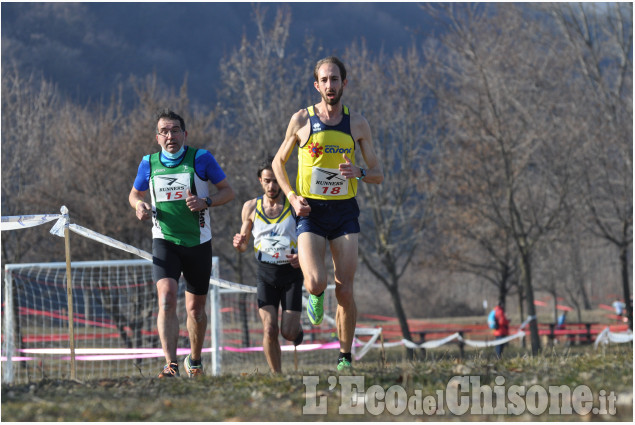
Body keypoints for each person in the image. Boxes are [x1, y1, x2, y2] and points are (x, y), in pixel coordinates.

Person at [272, 56, 384, 371]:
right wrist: (292, 198)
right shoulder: (301, 120)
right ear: (316, 85)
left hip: (344, 211)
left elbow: (377, 173)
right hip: (310, 210)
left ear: (344, 83)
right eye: (324, 80)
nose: (330, 85)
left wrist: (359, 172)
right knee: (316, 282)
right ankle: (317, 294)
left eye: (335, 79)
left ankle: (345, 356)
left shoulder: (357, 123)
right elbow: (278, 163)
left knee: (346, 288)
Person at [129, 110, 235, 378]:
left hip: (198, 242)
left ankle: (195, 360)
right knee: (165, 299)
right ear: (157, 137)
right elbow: (134, 194)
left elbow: (228, 192)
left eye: (175, 130)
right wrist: (139, 205)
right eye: (164, 131)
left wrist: (206, 201)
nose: (170, 136)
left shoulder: (200, 158)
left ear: (184, 134)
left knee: (195, 309)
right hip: (164, 240)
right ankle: (170, 364)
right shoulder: (148, 163)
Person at [232, 158, 304, 373]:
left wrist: (302, 256)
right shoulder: (251, 207)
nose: (272, 186)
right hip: (266, 275)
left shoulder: (295, 205)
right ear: (260, 181)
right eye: (267, 181)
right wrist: (239, 244)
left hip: (291, 275)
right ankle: (277, 375)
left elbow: (310, 238)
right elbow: (243, 244)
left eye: (275, 181)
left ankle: (296, 332)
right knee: (269, 328)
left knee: (287, 333)